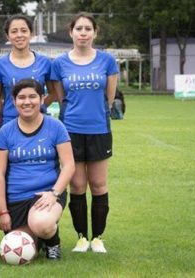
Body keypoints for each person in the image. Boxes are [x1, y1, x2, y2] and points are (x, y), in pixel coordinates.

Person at [51, 12, 119, 253]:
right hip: (70, 132)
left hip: (99, 129)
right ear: (71, 32)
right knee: (78, 186)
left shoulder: (107, 61)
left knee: (99, 184)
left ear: (94, 33)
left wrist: (98, 113)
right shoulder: (59, 63)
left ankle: (98, 237)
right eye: (78, 28)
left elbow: (109, 98)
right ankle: (81, 237)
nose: (83, 32)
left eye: (87, 28)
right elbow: (61, 98)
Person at [0, 79, 75, 260]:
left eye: (32, 96)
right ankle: (41, 240)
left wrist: (54, 193)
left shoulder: (56, 127)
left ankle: (53, 243)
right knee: (20, 250)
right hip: (16, 199)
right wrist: (2, 212)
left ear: (42, 98)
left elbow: (69, 165)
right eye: (21, 97)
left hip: (46, 194)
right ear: (14, 101)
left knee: (41, 224)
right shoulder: (6, 131)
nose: (27, 102)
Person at [0, 15, 55, 127]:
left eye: (24, 31)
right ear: (7, 36)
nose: (19, 35)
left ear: (31, 34)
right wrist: (5, 114)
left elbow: (53, 92)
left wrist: (40, 107)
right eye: (14, 31)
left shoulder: (45, 62)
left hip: (38, 122)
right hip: (10, 122)